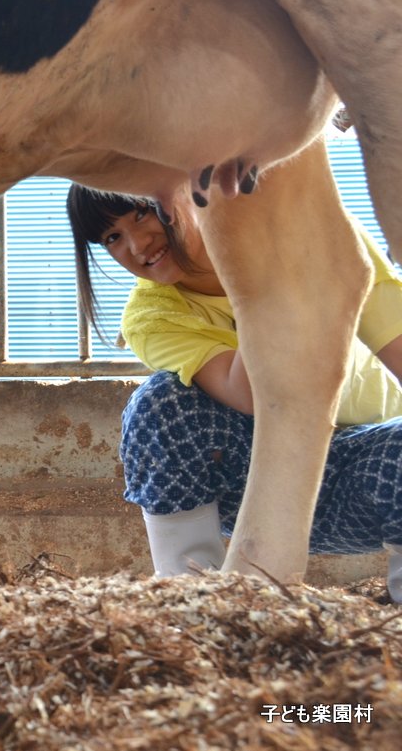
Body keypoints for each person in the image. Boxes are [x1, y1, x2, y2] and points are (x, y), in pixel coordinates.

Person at [67, 182, 402, 601]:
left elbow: (395, 334)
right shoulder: (152, 316)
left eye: (141, 213)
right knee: (160, 403)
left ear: (181, 194)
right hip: (253, 485)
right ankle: (192, 599)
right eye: (111, 238)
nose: (137, 245)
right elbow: (248, 394)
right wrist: (257, 274)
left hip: (363, 470)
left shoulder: (320, 231)